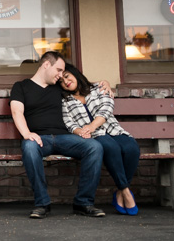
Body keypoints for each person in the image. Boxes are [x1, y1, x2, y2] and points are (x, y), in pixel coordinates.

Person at [10, 51, 105, 219]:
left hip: (65, 138)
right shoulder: (21, 87)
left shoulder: (58, 88)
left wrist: (106, 83)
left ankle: (83, 202)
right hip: (39, 139)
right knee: (29, 147)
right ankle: (42, 204)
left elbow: (84, 85)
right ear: (46, 65)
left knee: (94, 147)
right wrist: (27, 133)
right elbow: (17, 111)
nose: (61, 76)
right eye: (59, 70)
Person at [60, 62, 141, 216]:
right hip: (95, 136)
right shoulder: (65, 101)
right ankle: (126, 191)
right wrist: (81, 132)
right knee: (111, 148)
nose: (65, 82)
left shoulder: (98, 88)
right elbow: (69, 123)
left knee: (131, 148)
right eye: (61, 82)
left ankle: (119, 192)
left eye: (67, 76)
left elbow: (107, 107)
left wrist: (91, 125)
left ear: (74, 74)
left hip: (113, 129)